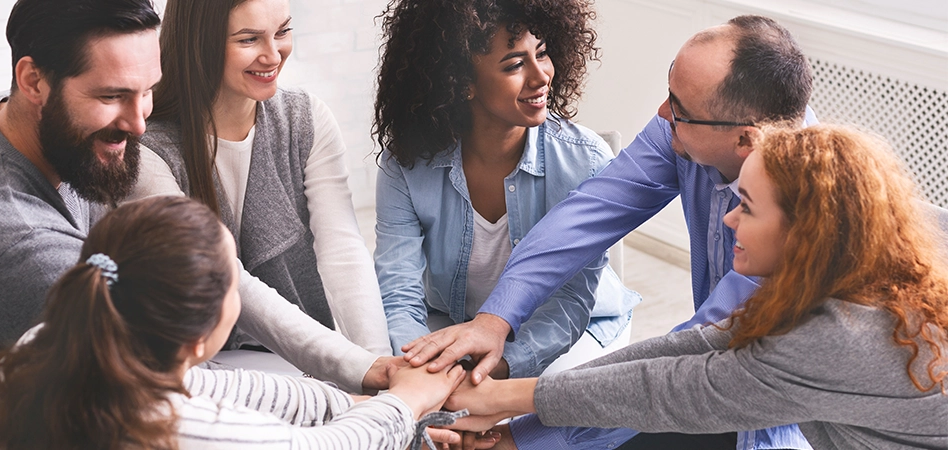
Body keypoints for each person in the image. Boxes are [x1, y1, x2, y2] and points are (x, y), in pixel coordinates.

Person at [0, 0, 397, 430]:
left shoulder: (15, 118)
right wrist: (368, 406)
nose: (140, 125)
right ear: (32, 81)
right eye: (112, 95)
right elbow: (169, 382)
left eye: (146, 91)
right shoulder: (19, 244)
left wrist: (376, 374)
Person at [402, 15, 817, 449]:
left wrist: (515, 428)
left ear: (745, 141)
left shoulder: (802, 224)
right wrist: (495, 319)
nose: (661, 114)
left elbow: (684, 365)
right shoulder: (695, 123)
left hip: (750, 419)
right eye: (669, 92)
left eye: (678, 110)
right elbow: (588, 213)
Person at [444, 124, 948, 450]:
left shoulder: (835, 337)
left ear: (805, 231)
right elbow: (692, 346)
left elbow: (678, 391)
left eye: (746, 206)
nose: (729, 218)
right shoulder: (845, 274)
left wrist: (508, 402)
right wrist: (508, 403)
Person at [0, 196, 465, 449]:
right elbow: (324, 448)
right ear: (201, 336)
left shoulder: (48, 345)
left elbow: (230, 388)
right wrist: (407, 403)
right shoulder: (176, 430)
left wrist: (368, 401)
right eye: (233, 280)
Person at [372, 0, 640, 381]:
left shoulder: (584, 160)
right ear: (461, 82)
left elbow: (569, 302)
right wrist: (424, 371)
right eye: (515, 64)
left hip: (572, 327)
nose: (541, 76)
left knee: (529, 420)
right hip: (453, 320)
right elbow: (399, 294)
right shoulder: (406, 165)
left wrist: (495, 369)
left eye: (542, 53)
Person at [126, 0, 391, 355]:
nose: (273, 55)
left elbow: (342, 250)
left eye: (282, 32)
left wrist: (379, 362)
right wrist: (359, 368)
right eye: (249, 40)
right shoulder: (149, 152)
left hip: (312, 357)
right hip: (208, 366)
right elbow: (228, 281)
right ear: (199, 42)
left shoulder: (305, 119)